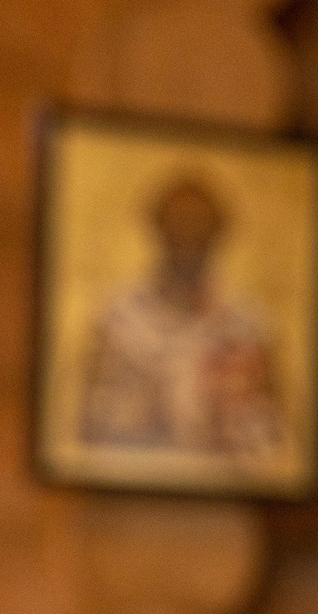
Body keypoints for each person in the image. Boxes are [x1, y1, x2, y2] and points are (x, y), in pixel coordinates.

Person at [79, 174, 286, 456]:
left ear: (218, 234)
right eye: (178, 226)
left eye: (200, 227)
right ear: (158, 229)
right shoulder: (120, 319)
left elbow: (272, 442)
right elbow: (93, 428)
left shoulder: (247, 324)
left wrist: (227, 409)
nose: (188, 238)